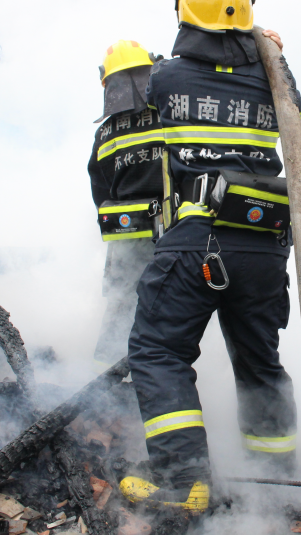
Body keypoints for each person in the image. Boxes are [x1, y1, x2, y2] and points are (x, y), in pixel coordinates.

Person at [118, 0, 301, 514]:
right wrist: (271, 53)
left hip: (197, 241)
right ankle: (275, 485)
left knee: (158, 352)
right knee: (259, 362)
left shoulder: (167, 77)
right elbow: (296, 117)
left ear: (186, 15)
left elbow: (148, 104)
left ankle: (183, 484)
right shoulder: (272, 77)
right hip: (265, 248)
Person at [87, 40, 164, 365]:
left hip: (125, 236)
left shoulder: (105, 133)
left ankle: (105, 383)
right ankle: (155, 370)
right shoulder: (171, 113)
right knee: (169, 305)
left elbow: (100, 190)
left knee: (120, 306)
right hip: (173, 227)